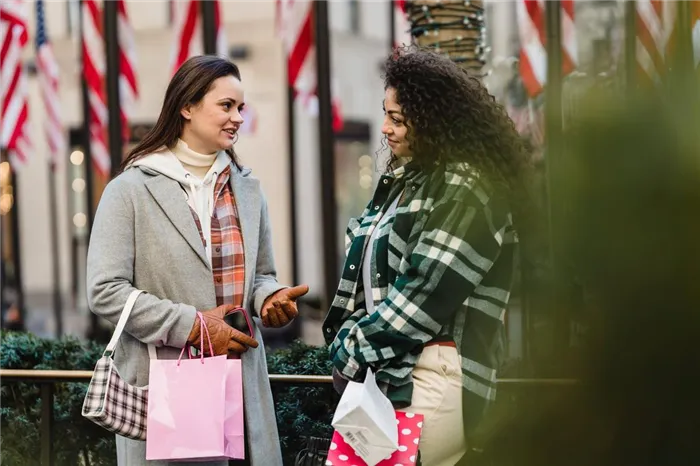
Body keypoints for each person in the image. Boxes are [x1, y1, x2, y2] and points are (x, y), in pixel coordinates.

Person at [86, 55, 308, 466]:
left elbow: (259, 274)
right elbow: (105, 291)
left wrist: (269, 298)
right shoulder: (129, 190)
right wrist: (192, 326)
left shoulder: (248, 189)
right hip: (167, 390)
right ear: (187, 107)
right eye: (226, 106)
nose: (238, 117)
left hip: (241, 389)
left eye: (241, 107)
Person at [323, 46, 530, 465]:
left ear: (434, 119)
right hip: (392, 369)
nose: (385, 128)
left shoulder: (466, 187)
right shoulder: (409, 181)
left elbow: (425, 291)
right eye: (386, 114)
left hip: (432, 369)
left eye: (398, 119)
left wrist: (352, 346)